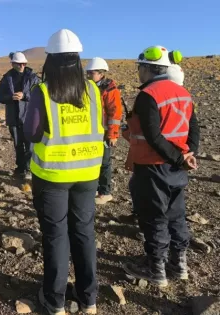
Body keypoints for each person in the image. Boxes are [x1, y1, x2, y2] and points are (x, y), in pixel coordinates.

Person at [23, 29, 104, 315]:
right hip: (87, 174)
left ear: (51, 61)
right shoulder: (93, 90)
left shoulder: (43, 91)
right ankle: (89, 299)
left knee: (56, 237)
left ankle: (55, 301)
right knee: (84, 233)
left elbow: (31, 132)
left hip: (53, 176)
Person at [123, 46, 199, 287]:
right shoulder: (183, 93)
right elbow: (193, 128)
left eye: (139, 68)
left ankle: (156, 269)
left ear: (147, 69)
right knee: (176, 217)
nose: (138, 73)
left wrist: (178, 159)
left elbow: (154, 137)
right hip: (177, 169)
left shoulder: (149, 95)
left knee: (154, 218)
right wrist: (187, 155)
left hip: (152, 167)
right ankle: (180, 265)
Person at [0, 52, 40, 180]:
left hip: (29, 116)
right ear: (13, 64)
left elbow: (39, 95)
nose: (22, 66)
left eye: (23, 64)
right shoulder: (7, 78)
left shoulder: (33, 77)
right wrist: (10, 97)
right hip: (13, 117)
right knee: (18, 145)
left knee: (30, 145)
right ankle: (20, 168)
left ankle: (29, 169)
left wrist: (25, 96)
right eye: (19, 64)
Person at [85, 57, 123, 204]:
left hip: (104, 132)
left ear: (101, 74)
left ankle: (105, 192)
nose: (88, 75)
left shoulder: (110, 90)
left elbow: (115, 113)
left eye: (91, 73)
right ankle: (94, 188)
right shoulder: (88, 87)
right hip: (90, 132)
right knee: (92, 161)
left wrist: (112, 134)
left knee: (104, 162)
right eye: (88, 73)